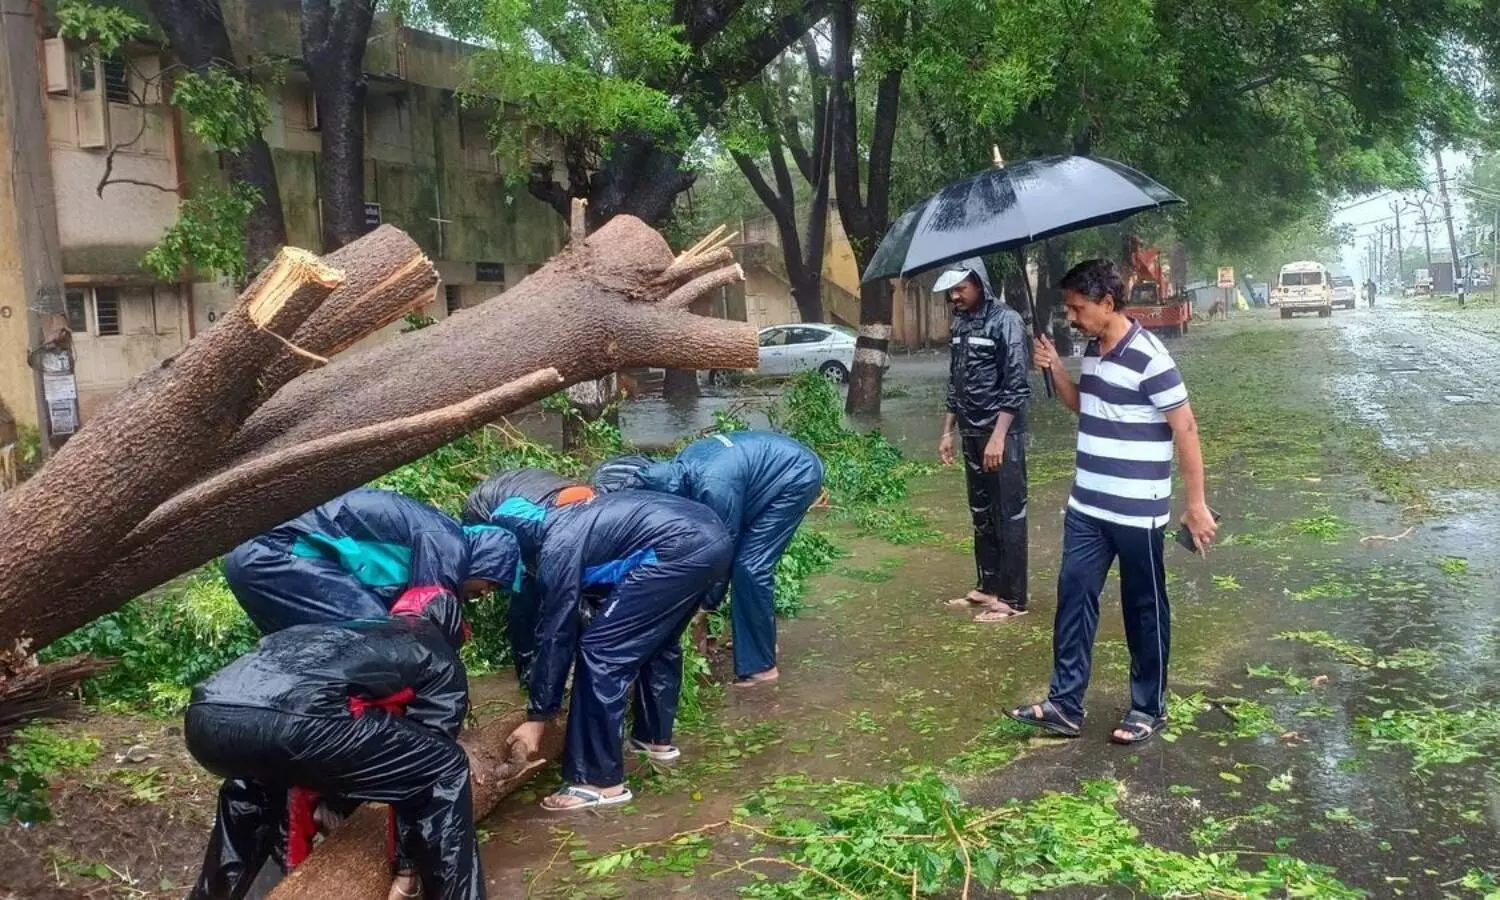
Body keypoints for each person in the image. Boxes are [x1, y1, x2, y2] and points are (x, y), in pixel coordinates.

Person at [1007, 258, 1216, 746]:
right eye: (1068, 309)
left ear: (1107, 302)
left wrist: (1197, 504)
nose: (1072, 317)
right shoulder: (1092, 348)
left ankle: (1148, 707)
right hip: (1087, 507)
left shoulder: (1150, 356)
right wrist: (1057, 369)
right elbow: (1085, 405)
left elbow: (1184, 426)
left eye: (1079, 308)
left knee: (1144, 606)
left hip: (1137, 510)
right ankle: (1064, 704)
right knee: (1074, 598)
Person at [184, 589, 489, 900]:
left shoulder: (351, 630)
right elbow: (420, 775)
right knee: (446, 766)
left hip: (205, 719)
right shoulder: (436, 650)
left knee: (253, 786)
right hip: (300, 723)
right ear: (451, 626)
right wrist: (407, 866)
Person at [493, 487, 733, 811]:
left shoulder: (557, 547)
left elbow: (556, 635)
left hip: (677, 547)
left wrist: (539, 716)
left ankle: (599, 782)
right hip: (712, 536)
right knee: (657, 640)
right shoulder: (566, 520)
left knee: (601, 652)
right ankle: (653, 739)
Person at [589, 432, 824, 686]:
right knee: (734, 561)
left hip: (796, 475)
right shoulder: (681, 468)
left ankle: (762, 668)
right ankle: (759, 640)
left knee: (749, 567)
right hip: (756, 476)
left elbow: (719, 558)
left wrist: (701, 612)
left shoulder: (712, 488)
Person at [224, 487, 520, 634]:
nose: (484, 593)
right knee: (379, 636)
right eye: (491, 584)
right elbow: (426, 624)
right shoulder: (449, 542)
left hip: (252, 557)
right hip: (276, 553)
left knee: (309, 655)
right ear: (487, 561)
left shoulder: (436, 536)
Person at [933, 257, 1033, 623]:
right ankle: (988, 585)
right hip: (971, 432)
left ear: (980, 284)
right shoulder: (960, 323)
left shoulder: (1006, 320)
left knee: (1010, 513)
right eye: (951, 290)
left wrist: (999, 436)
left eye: (961, 288)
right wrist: (948, 430)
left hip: (1002, 435)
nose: (955, 296)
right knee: (981, 512)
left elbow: (1017, 383)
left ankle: (1013, 599)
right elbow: (954, 383)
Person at [463, 468, 593, 681]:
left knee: (553, 582)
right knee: (525, 583)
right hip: (486, 510)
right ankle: (528, 669)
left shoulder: (588, 516)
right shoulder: (542, 523)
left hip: (527, 492)